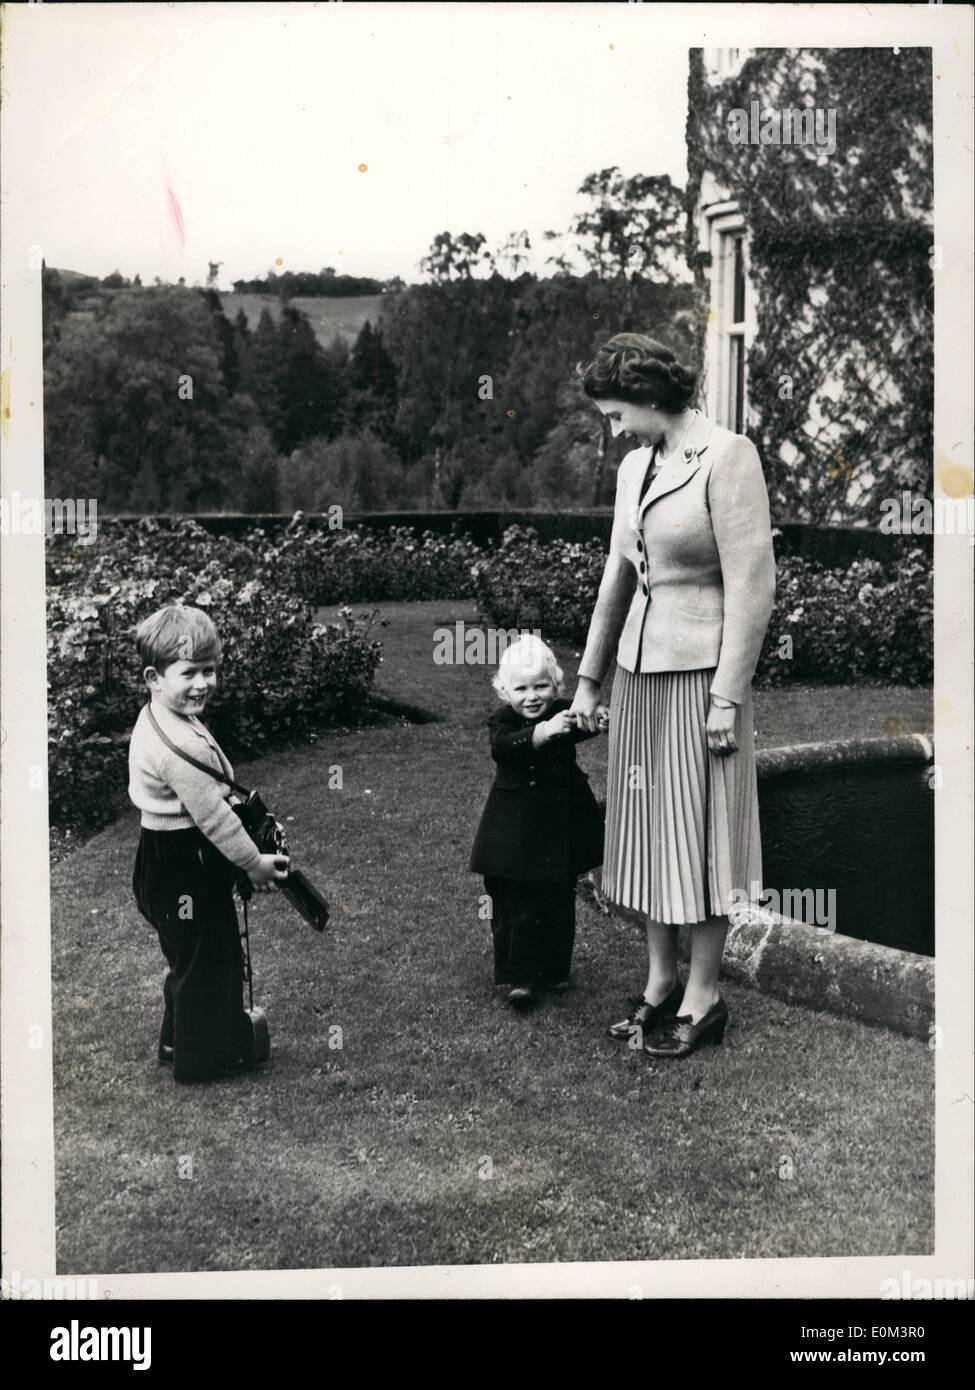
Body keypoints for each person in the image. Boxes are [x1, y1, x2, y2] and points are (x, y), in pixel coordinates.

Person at [569, 333, 776, 1057]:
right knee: (647, 833)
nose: (613, 426)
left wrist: (726, 696)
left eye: (617, 410)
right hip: (637, 675)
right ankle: (659, 981)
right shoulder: (633, 468)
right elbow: (615, 581)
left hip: (700, 678)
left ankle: (704, 994)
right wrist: (590, 681)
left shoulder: (728, 457)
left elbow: (753, 588)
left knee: (697, 833)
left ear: (652, 398)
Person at [127, 604, 289, 1083]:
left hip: (160, 856)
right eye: (190, 673)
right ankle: (204, 1060)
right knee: (208, 958)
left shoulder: (159, 713)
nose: (202, 683)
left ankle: (177, 1039)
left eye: (210, 670)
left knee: (190, 953)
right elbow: (215, 819)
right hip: (185, 864)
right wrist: (253, 861)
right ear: (154, 677)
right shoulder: (185, 747)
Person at [469, 635, 607, 1008]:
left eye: (541, 686)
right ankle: (521, 976)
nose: (532, 696)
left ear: (556, 685)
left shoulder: (561, 711)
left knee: (558, 899)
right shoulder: (503, 722)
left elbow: (581, 724)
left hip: (558, 829)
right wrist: (541, 733)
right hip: (515, 832)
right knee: (516, 902)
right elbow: (503, 747)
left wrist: (595, 720)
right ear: (504, 690)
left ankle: (554, 969)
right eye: (522, 688)